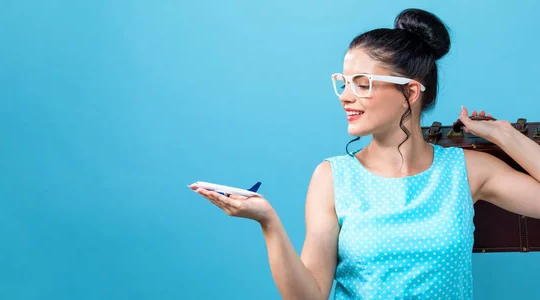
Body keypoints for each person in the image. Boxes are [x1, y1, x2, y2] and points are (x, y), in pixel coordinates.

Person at [189, 8, 540, 300]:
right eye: (343, 82)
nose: (345, 96)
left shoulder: (468, 171)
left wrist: (505, 135)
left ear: (411, 92)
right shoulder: (332, 177)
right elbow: (309, 296)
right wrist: (268, 222)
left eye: (363, 83)